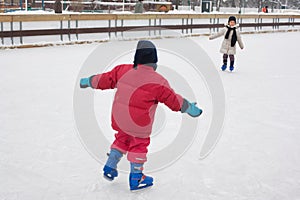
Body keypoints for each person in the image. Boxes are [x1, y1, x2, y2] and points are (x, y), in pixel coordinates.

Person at [79, 40, 202, 191]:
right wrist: (190, 107)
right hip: (139, 124)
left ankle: (110, 166)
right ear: (154, 61)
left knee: (122, 138)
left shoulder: (122, 70)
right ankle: (137, 177)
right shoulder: (159, 81)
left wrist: (88, 81)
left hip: (120, 119)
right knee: (138, 145)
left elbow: (103, 80)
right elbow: (174, 101)